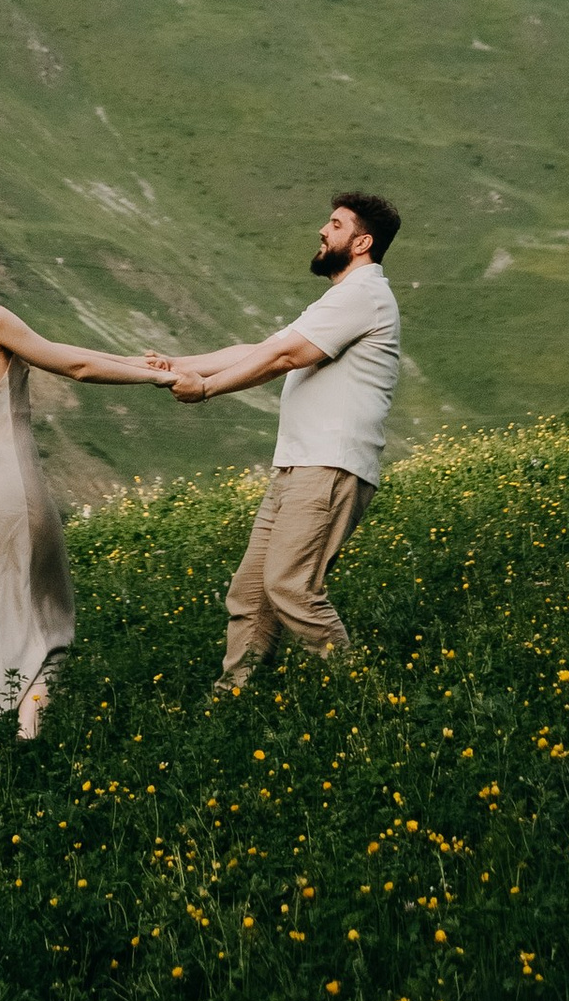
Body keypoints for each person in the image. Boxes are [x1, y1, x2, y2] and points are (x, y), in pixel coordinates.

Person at [0, 221, 172, 739]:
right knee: (50, 618)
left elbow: (55, 349)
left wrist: (132, 359)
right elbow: (75, 366)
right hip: (11, 485)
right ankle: (30, 738)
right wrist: (156, 375)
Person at [168, 191, 401, 694]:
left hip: (329, 465)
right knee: (252, 594)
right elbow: (262, 349)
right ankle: (235, 698)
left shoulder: (363, 295)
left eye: (335, 225)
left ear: (362, 242)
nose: (323, 230)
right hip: (299, 466)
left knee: (291, 587)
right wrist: (177, 364)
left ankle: (365, 695)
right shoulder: (341, 299)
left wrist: (206, 389)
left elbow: (284, 358)